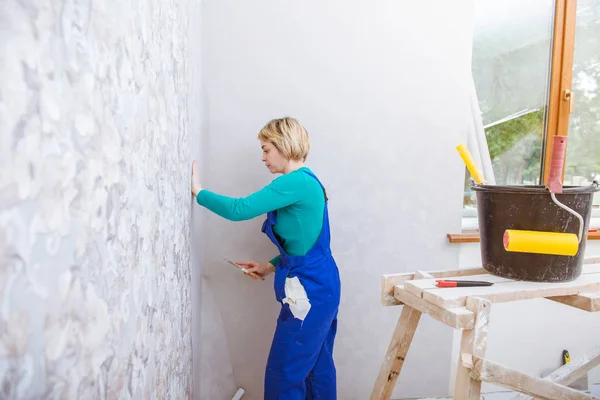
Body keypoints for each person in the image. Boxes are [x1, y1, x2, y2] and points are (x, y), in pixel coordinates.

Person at [191, 117, 341, 400]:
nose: (262, 158)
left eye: (266, 149)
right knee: (316, 369)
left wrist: (199, 193)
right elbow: (302, 241)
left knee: (284, 373)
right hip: (322, 284)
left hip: (310, 291)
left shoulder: (293, 182)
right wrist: (270, 266)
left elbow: (239, 209)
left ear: (284, 146)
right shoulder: (308, 182)